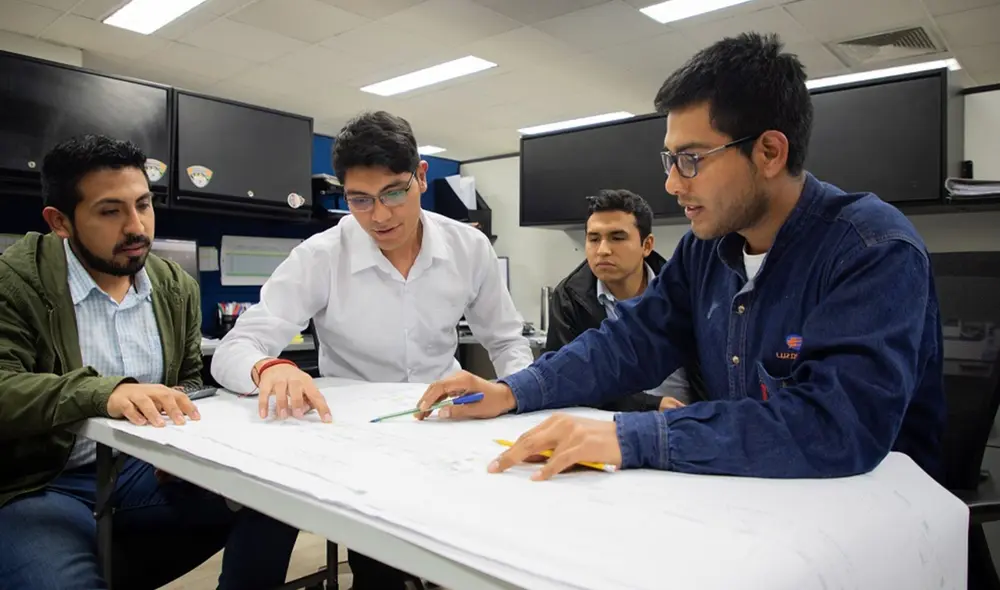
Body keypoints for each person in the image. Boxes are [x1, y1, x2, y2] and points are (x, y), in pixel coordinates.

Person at [417, 32, 946, 484]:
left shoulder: (871, 250)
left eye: (692, 160)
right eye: (671, 159)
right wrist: (511, 389)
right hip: (755, 505)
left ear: (768, 152)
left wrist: (634, 436)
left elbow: (834, 429)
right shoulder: (706, 250)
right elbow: (626, 344)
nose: (672, 184)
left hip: (877, 529)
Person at [210, 110, 533, 588]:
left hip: (444, 426)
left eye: (394, 193)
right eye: (360, 200)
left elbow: (507, 341)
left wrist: (515, 395)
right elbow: (236, 346)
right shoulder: (321, 256)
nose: (379, 216)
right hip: (355, 441)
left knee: (486, 547)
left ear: (421, 177)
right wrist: (267, 366)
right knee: (371, 561)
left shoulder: (469, 248)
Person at [0, 135, 299, 590]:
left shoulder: (173, 286)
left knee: (280, 495)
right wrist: (107, 392)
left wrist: (186, 445)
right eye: (110, 211)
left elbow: (188, 381)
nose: (136, 226)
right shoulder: (15, 282)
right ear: (59, 221)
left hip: (140, 470)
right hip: (42, 482)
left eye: (143, 204)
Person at [545, 189, 700, 412]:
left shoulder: (682, 288)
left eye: (617, 238)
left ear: (646, 245)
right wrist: (650, 405)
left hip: (692, 420)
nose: (603, 250)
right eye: (594, 239)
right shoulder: (570, 297)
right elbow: (568, 384)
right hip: (613, 423)